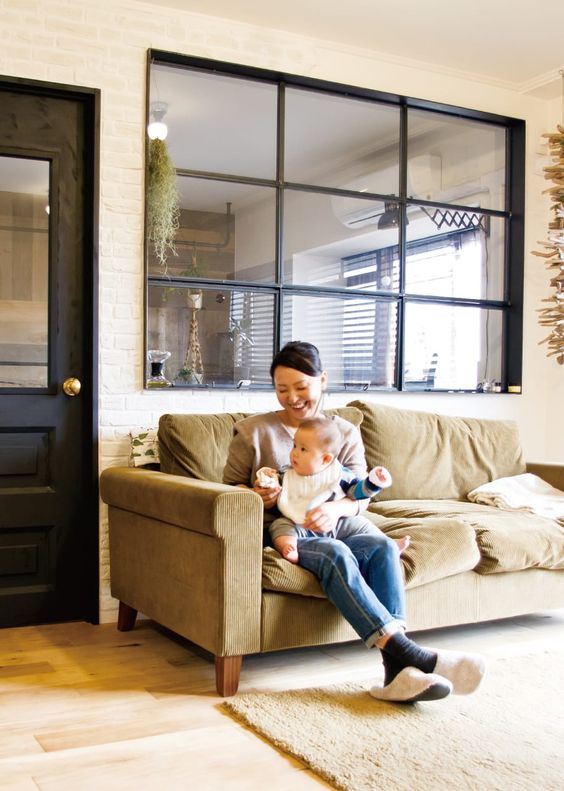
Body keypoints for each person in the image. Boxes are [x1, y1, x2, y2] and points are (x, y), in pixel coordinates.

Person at [223, 340, 486, 703]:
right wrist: (256, 494)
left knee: (381, 547)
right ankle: (415, 656)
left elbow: (362, 493)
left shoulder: (343, 432)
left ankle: (398, 672)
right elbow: (226, 489)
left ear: (322, 380)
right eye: (282, 389)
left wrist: (337, 508)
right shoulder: (253, 431)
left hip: (340, 521)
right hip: (289, 528)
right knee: (335, 553)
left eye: (301, 387)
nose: (292, 398)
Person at [256, 415, 410, 564]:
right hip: (300, 525)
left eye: (303, 449)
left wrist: (373, 482)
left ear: (326, 459)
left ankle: (389, 545)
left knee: (361, 523)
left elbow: (357, 492)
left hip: (337, 524)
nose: (295, 452)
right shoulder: (288, 475)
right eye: (294, 445)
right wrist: (269, 481)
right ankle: (289, 547)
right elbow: (275, 489)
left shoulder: (339, 475)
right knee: (279, 526)